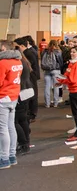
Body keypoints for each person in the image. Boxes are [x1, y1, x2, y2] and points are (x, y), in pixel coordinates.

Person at [0, 40, 23, 169]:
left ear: (3, 48)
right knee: (10, 127)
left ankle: (4, 158)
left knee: (2, 129)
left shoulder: (3, 63)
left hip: (3, 97)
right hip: (13, 96)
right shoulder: (18, 61)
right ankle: (11, 155)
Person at [58, 46, 77, 142]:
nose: (71, 53)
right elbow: (68, 75)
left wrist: (62, 81)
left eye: (74, 52)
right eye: (71, 52)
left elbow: (72, 79)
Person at [15, 37, 40, 122]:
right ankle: (31, 113)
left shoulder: (28, 53)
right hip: (32, 76)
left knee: (32, 95)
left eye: (16, 47)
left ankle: (32, 113)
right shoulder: (30, 51)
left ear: (22, 46)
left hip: (31, 76)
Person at [15, 53, 33, 156]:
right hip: (26, 90)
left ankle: (24, 143)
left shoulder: (17, 62)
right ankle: (26, 142)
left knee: (16, 120)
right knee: (23, 119)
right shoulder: (23, 61)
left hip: (20, 92)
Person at [40, 40, 63, 108]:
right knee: (56, 86)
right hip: (56, 70)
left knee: (47, 87)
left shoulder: (44, 51)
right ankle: (55, 103)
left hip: (47, 70)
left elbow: (42, 60)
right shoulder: (58, 51)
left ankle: (47, 104)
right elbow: (60, 61)